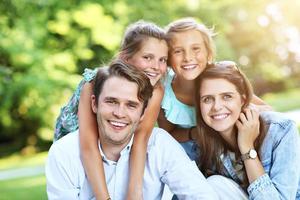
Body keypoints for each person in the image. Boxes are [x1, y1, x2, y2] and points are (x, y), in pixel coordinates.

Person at [46, 60, 218, 200]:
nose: (119, 113)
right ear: (94, 104)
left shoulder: (159, 145)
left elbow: (202, 195)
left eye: (131, 105)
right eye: (111, 101)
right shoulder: (64, 153)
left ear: (143, 113)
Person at [54, 20, 168, 199]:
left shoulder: (157, 90)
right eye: (148, 57)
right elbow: (88, 146)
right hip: (81, 139)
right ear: (125, 58)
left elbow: (140, 139)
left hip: (116, 138)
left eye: (163, 60)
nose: (157, 66)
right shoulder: (93, 85)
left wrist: (134, 194)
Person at [158, 17, 270, 162]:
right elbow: (168, 135)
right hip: (192, 154)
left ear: (208, 53)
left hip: (232, 146)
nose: (188, 57)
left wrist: (238, 114)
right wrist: (196, 133)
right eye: (178, 51)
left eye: (196, 49)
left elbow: (266, 109)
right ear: (168, 58)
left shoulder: (222, 79)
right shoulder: (163, 92)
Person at [194, 60, 300, 199]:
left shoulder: (281, 130)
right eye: (207, 99)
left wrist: (247, 148)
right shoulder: (205, 143)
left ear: (243, 100)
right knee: (213, 185)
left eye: (227, 96)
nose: (217, 107)